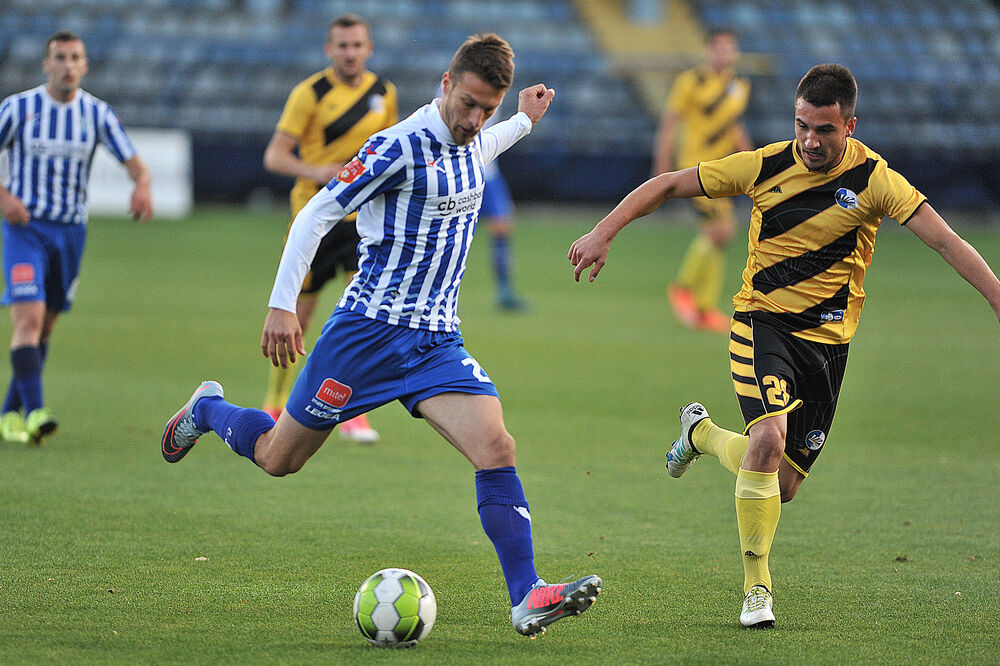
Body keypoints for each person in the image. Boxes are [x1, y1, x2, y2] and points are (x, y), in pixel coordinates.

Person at [162, 33, 601, 637]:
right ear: (444, 85)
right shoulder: (395, 147)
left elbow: (486, 146)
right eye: (468, 104)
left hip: (435, 343)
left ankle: (526, 594)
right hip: (364, 334)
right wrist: (281, 304)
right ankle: (209, 408)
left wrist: (522, 118)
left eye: (487, 109)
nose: (476, 120)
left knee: (497, 447)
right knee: (277, 459)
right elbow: (317, 213)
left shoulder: (478, 136)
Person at [569, 63, 1000, 628]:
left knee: (783, 485)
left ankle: (700, 433)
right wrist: (604, 230)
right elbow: (670, 183)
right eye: (801, 125)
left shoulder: (875, 180)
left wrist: (995, 295)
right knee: (768, 441)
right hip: (761, 324)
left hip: (827, 347)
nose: (809, 141)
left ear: (850, 124)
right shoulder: (765, 165)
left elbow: (945, 239)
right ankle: (757, 590)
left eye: (824, 129)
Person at [0, 30, 152, 445]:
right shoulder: (19, 109)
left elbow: (137, 164)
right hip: (24, 229)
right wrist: (5, 197)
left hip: (70, 233)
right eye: (60, 58)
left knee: (44, 329)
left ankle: (8, 413)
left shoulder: (97, 114)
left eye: (75, 58)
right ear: (46, 64)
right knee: (28, 321)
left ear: (85, 65)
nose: (68, 65)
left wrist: (142, 186)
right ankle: (36, 413)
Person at [261, 13, 398, 443]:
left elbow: (392, 149)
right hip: (315, 220)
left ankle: (349, 410)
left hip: (364, 222)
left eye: (357, 45)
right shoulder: (310, 93)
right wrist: (317, 170)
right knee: (295, 319)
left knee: (361, 317)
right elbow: (275, 157)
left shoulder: (384, 93)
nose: (351, 52)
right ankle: (274, 403)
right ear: (329, 49)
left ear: (369, 48)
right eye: (342, 45)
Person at [652, 28, 752, 333]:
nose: (724, 53)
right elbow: (670, 124)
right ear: (708, 51)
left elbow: (732, 126)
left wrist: (751, 160)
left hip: (724, 170)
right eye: (718, 47)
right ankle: (684, 289)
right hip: (694, 168)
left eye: (729, 48)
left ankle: (703, 307)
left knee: (721, 234)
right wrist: (662, 165)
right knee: (721, 229)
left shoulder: (738, 86)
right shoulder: (690, 82)